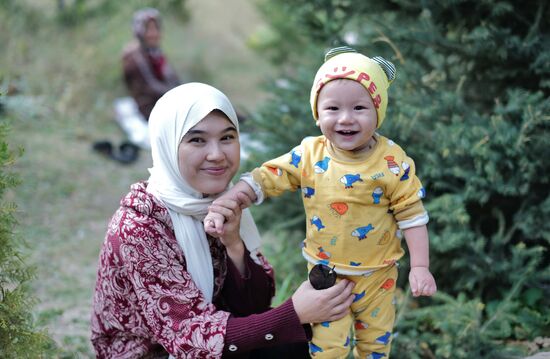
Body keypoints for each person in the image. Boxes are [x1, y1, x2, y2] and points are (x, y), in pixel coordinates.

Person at [91, 82, 355, 358]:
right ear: (167, 144)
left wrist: (234, 246)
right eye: (197, 140)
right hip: (155, 354)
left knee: (302, 342)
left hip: (209, 342)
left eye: (227, 137)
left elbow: (255, 306)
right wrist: (294, 313)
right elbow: (188, 338)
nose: (217, 155)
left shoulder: (216, 201)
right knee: (288, 330)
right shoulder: (139, 226)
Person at [204, 46, 437, 358]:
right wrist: (233, 197)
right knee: (327, 349)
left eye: (359, 108)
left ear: (378, 111)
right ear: (317, 113)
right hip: (326, 278)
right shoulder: (310, 155)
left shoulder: (393, 162)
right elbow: (269, 176)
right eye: (332, 109)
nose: (345, 119)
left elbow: (412, 215)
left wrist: (420, 266)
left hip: (378, 278)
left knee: (376, 346)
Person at [122, 7, 180, 121]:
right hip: (148, 111)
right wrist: (177, 96)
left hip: (164, 105)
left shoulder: (156, 53)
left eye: (156, 29)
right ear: (139, 31)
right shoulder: (133, 56)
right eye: (148, 29)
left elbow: (172, 79)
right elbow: (149, 87)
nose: (153, 34)